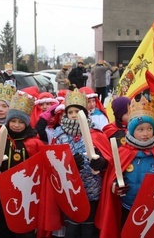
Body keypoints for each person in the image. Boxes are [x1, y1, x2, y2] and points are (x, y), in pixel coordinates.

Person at [96, 96, 154, 237]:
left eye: (149, 128)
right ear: (132, 131)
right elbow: (112, 178)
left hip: (153, 210)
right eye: (140, 129)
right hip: (127, 207)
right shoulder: (122, 153)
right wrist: (115, 187)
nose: (145, 133)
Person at [0, 91, 44, 237]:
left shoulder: (34, 142)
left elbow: (40, 170)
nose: (16, 125)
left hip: (26, 193)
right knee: (2, 226)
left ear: (27, 123)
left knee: (23, 227)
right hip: (1, 192)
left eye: (21, 122)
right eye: (13, 121)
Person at [53, 88, 111, 238]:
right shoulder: (59, 135)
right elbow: (52, 163)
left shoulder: (96, 134)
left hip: (93, 191)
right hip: (70, 192)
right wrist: (69, 164)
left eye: (78, 112)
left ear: (85, 114)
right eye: (70, 112)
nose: (74, 116)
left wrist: (102, 163)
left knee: (88, 230)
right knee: (72, 229)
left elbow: (109, 160)